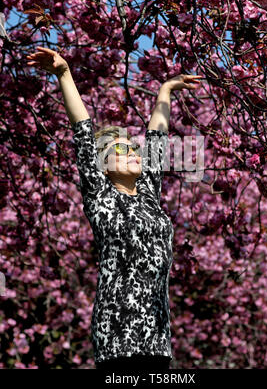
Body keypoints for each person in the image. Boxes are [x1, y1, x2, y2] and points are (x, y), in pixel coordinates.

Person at [26, 47, 202, 371]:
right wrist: (65, 73)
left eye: (134, 149)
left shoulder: (148, 193)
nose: (134, 152)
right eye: (121, 150)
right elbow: (81, 128)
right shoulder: (100, 196)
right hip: (118, 336)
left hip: (157, 336)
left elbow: (157, 136)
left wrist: (166, 89)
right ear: (103, 165)